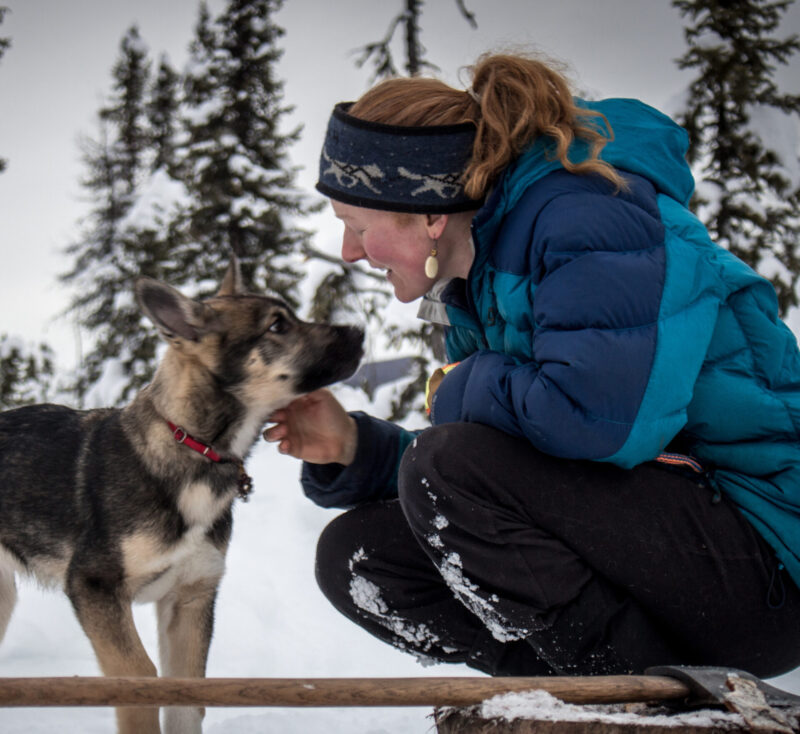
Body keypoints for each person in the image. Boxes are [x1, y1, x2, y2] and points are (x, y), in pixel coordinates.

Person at [264, 52, 800, 678]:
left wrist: (463, 391)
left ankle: (630, 698)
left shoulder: (587, 214)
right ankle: (569, 687)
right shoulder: (482, 280)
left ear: (430, 214)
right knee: (359, 559)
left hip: (764, 560)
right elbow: (511, 472)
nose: (350, 252)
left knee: (447, 466)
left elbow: (600, 424)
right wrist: (363, 450)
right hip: (670, 554)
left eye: (356, 224)